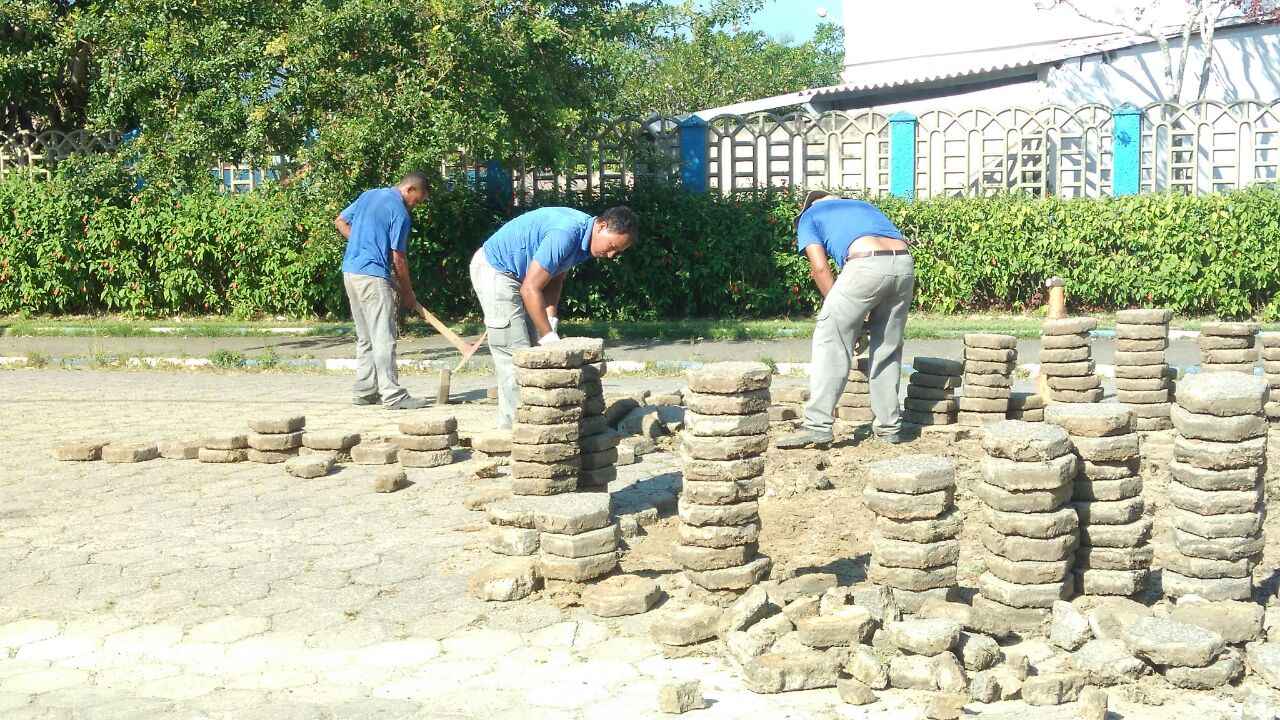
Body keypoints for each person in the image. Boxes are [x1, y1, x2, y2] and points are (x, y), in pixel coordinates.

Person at [470, 206, 639, 429]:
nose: (610, 255)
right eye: (611, 247)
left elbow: (556, 277)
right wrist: (548, 337)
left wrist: (550, 322)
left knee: (532, 352)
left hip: (521, 276)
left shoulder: (585, 242)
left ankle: (537, 422)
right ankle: (517, 433)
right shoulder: (566, 233)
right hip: (497, 271)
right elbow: (530, 289)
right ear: (602, 226)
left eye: (617, 253)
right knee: (516, 355)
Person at [777, 191, 915, 448]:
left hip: (864, 264)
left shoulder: (810, 216)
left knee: (831, 338)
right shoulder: (862, 206)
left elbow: (819, 268)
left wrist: (838, 312)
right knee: (887, 346)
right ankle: (888, 428)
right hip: (905, 264)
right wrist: (857, 321)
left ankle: (817, 425)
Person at [334, 172, 431, 410]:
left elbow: (340, 221)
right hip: (372, 276)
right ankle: (393, 395)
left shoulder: (369, 195)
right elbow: (398, 258)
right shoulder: (399, 212)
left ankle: (365, 390)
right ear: (409, 189)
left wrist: (363, 242)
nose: (414, 206)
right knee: (383, 337)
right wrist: (408, 293)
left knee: (365, 337)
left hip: (351, 273)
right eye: (416, 200)